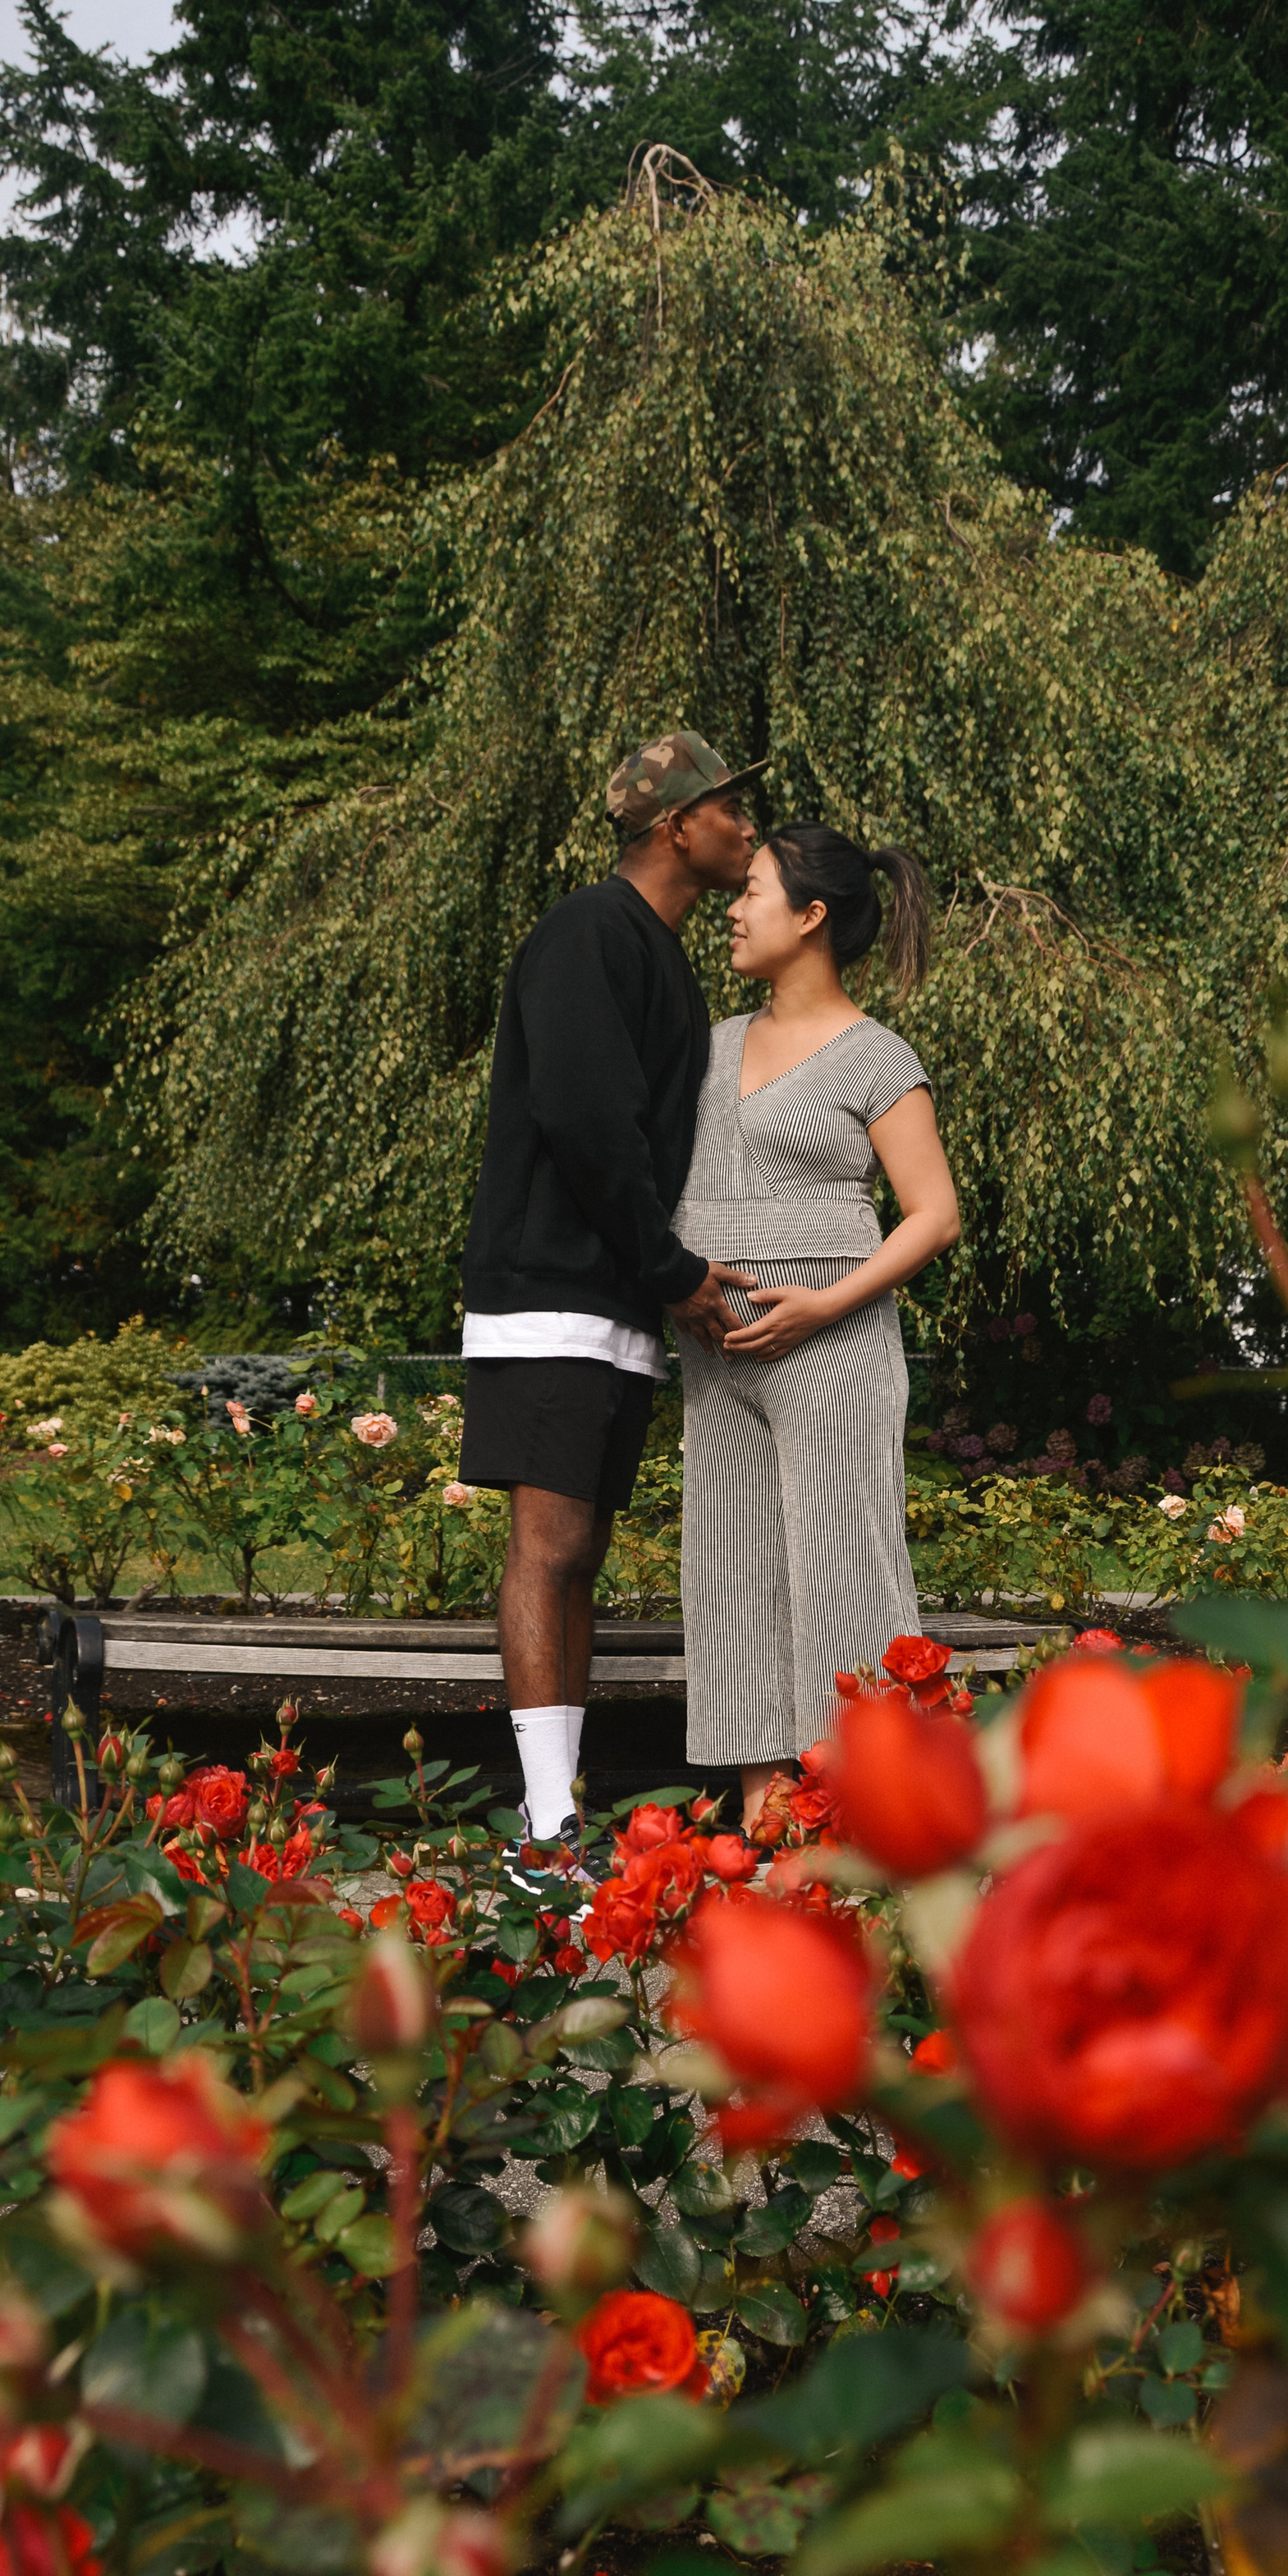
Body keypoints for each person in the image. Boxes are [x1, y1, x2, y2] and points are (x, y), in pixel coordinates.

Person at [457, 731, 760, 1847]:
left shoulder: (660, 957)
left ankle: (559, 1816)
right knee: (547, 1548)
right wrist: (672, 1269)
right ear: (678, 825)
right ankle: (544, 1836)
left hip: (612, 1297)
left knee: (578, 1550)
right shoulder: (588, 934)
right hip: (556, 1290)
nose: (747, 830)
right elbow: (587, 1125)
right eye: (732, 810)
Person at [672, 823, 960, 1829]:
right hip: (715, 1353)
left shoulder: (876, 1056)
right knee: (734, 1573)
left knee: (844, 1565)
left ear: (811, 916)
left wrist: (825, 1306)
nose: (733, 909)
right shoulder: (703, 1047)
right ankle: (766, 1832)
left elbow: (933, 1213)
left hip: (830, 1348)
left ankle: (870, 1821)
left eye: (751, 891)